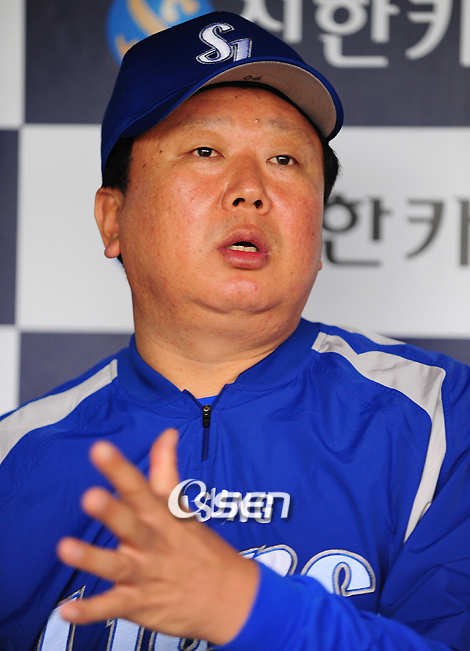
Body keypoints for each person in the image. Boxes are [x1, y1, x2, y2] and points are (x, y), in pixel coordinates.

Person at [0, 10, 469, 651]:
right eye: (205, 152)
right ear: (112, 220)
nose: (250, 190)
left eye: (284, 159)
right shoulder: (15, 458)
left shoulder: (443, 419)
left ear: (319, 228)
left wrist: (252, 610)